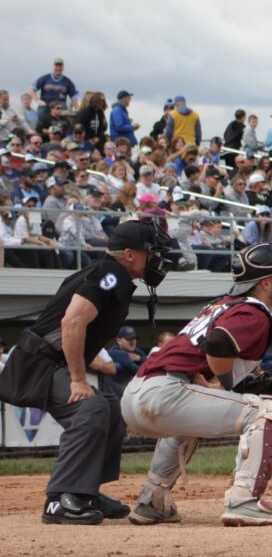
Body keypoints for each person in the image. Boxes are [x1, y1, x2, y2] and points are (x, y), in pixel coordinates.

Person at [120, 243, 272, 527]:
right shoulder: (253, 311)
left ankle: (152, 501)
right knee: (267, 412)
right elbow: (218, 343)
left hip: (139, 392)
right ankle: (244, 501)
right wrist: (225, 385)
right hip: (165, 392)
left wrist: (218, 382)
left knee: (186, 429)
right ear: (266, 282)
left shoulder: (223, 304)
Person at [0, 219, 171, 525]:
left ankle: (85, 491)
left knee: (107, 407)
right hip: (36, 364)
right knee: (89, 408)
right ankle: (60, 499)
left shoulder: (110, 273)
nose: (158, 259)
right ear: (130, 254)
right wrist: (78, 380)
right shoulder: (110, 272)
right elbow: (72, 322)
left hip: (46, 361)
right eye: (151, 252)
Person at [104, 326, 145, 398]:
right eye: (129, 339)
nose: (133, 342)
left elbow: (150, 362)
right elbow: (137, 370)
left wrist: (139, 358)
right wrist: (141, 361)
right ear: (119, 340)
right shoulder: (115, 352)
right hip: (114, 395)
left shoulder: (137, 352)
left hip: (126, 392)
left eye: (134, 339)